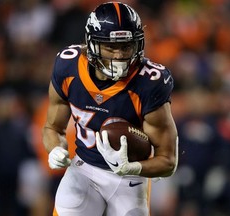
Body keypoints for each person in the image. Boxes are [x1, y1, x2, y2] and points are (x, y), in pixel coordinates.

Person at [42, 2, 178, 216]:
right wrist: (55, 149)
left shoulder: (150, 83)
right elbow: (52, 128)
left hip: (130, 179)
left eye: (126, 46)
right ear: (92, 44)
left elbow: (168, 161)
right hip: (84, 168)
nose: (119, 56)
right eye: (111, 47)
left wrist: (135, 168)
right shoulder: (68, 67)